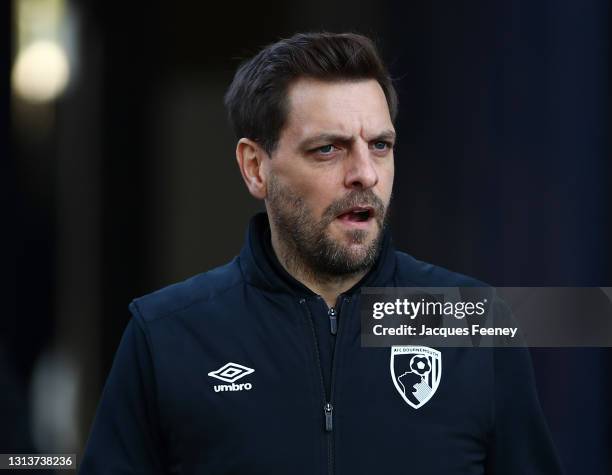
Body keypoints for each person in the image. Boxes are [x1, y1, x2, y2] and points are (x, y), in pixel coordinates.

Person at [79, 32, 562, 474]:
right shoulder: (165, 336)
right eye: (328, 149)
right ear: (255, 168)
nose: (365, 174)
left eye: (380, 145)